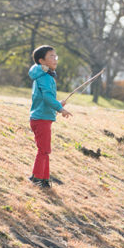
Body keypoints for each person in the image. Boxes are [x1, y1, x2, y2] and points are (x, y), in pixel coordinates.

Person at [28, 45, 72, 188]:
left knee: (45, 149)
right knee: (44, 150)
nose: (55, 59)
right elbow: (47, 98)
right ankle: (37, 178)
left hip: (41, 117)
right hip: (41, 119)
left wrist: (58, 103)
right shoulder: (45, 77)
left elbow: (45, 98)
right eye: (51, 56)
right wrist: (60, 108)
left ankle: (44, 178)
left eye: (55, 56)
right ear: (42, 61)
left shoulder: (43, 76)